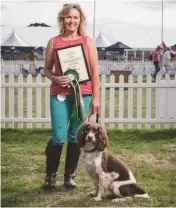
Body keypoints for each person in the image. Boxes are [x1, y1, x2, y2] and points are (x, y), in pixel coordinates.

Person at [43, 3, 99, 189]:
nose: (72, 21)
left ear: (80, 20)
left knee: (76, 136)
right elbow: (46, 70)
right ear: (62, 19)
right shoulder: (54, 41)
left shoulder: (88, 41)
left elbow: (94, 70)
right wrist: (56, 79)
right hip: (59, 94)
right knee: (58, 136)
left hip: (84, 95)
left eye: (75, 17)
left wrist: (96, 97)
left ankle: (69, 176)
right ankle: (50, 176)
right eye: (68, 17)